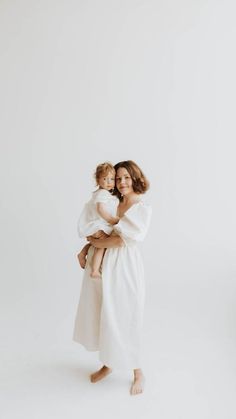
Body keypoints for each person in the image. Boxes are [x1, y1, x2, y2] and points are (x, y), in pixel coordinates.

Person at [73, 160, 152, 395]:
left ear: (135, 177)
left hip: (124, 265)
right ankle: (108, 363)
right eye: (118, 178)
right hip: (104, 261)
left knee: (126, 315)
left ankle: (138, 372)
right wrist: (87, 248)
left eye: (126, 177)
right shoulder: (112, 201)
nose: (121, 182)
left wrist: (95, 243)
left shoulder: (141, 207)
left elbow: (120, 240)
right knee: (105, 313)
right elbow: (98, 227)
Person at [77, 162, 120, 279]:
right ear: (98, 180)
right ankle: (95, 270)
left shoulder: (101, 193)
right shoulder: (102, 193)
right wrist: (112, 220)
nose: (108, 182)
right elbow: (100, 210)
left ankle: (82, 253)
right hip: (97, 225)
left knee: (94, 244)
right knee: (103, 244)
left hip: (95, 224)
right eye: (105, 179)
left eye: (111, 179)